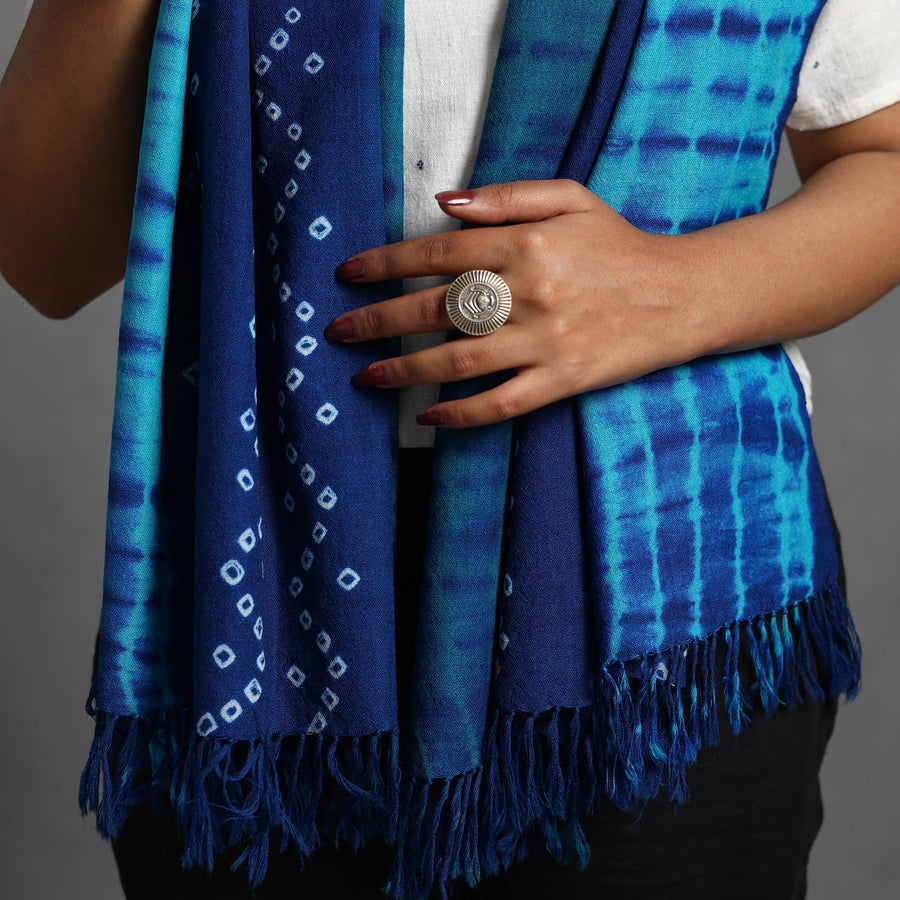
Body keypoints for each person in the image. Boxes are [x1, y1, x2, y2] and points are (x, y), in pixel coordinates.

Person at [1, 1, 899, 899]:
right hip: (262, 565)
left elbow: (882, 154)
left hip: (656, 577)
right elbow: (43, 252)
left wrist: (668, 291)